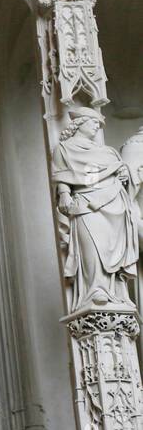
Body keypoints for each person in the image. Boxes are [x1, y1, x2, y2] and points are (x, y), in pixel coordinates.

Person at [52, 107, 140, 309]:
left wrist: (123, 175)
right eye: (93, 123)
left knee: (113, 250)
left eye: (98, 124)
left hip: (114, 204)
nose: (96, 127)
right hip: (87, 205)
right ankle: (95, 290)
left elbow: (121, 171)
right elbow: (62, 175)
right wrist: (64, 193)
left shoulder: (107, 151)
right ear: (80, 123)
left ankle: (116, 292)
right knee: (92, 247)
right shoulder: (64, 149)